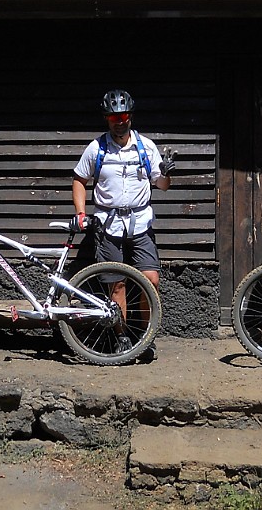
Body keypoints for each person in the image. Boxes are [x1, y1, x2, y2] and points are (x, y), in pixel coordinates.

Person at [71, 89, 175, 360]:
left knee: (151, 280)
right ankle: (121, 336)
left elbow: (162, 186)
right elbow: (79, 180)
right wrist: (81, 213)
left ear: (131, 116)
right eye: (115, 116)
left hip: (140, 221)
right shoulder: (97, 148)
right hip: (108, 224)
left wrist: (165, 173)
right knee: (116, 285)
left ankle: (145, 335)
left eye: (125, 115)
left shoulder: (146, 146)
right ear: (107, 119)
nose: (120, 121)